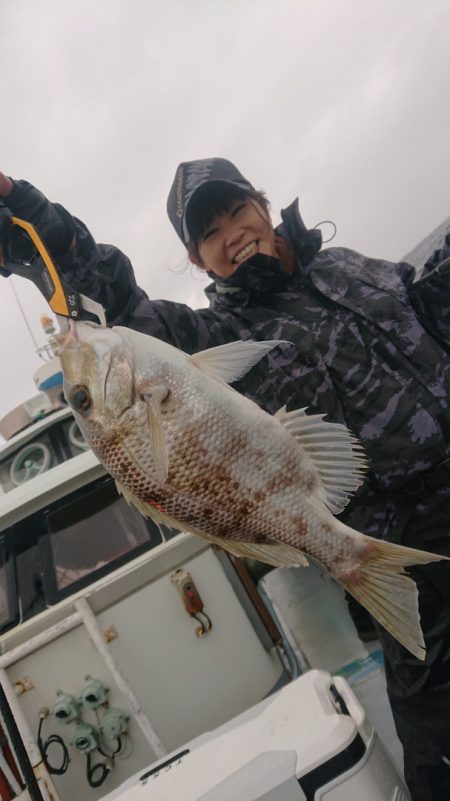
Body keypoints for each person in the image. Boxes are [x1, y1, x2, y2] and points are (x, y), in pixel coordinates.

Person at [1, 159, 450, 800]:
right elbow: (114, 305)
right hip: (403, 564)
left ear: (263, 206)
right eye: (209, 233)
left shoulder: (348, 267)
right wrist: (45, 234)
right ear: (199, 260)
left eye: (236, 210)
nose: (232, 233)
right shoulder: (206, 337)